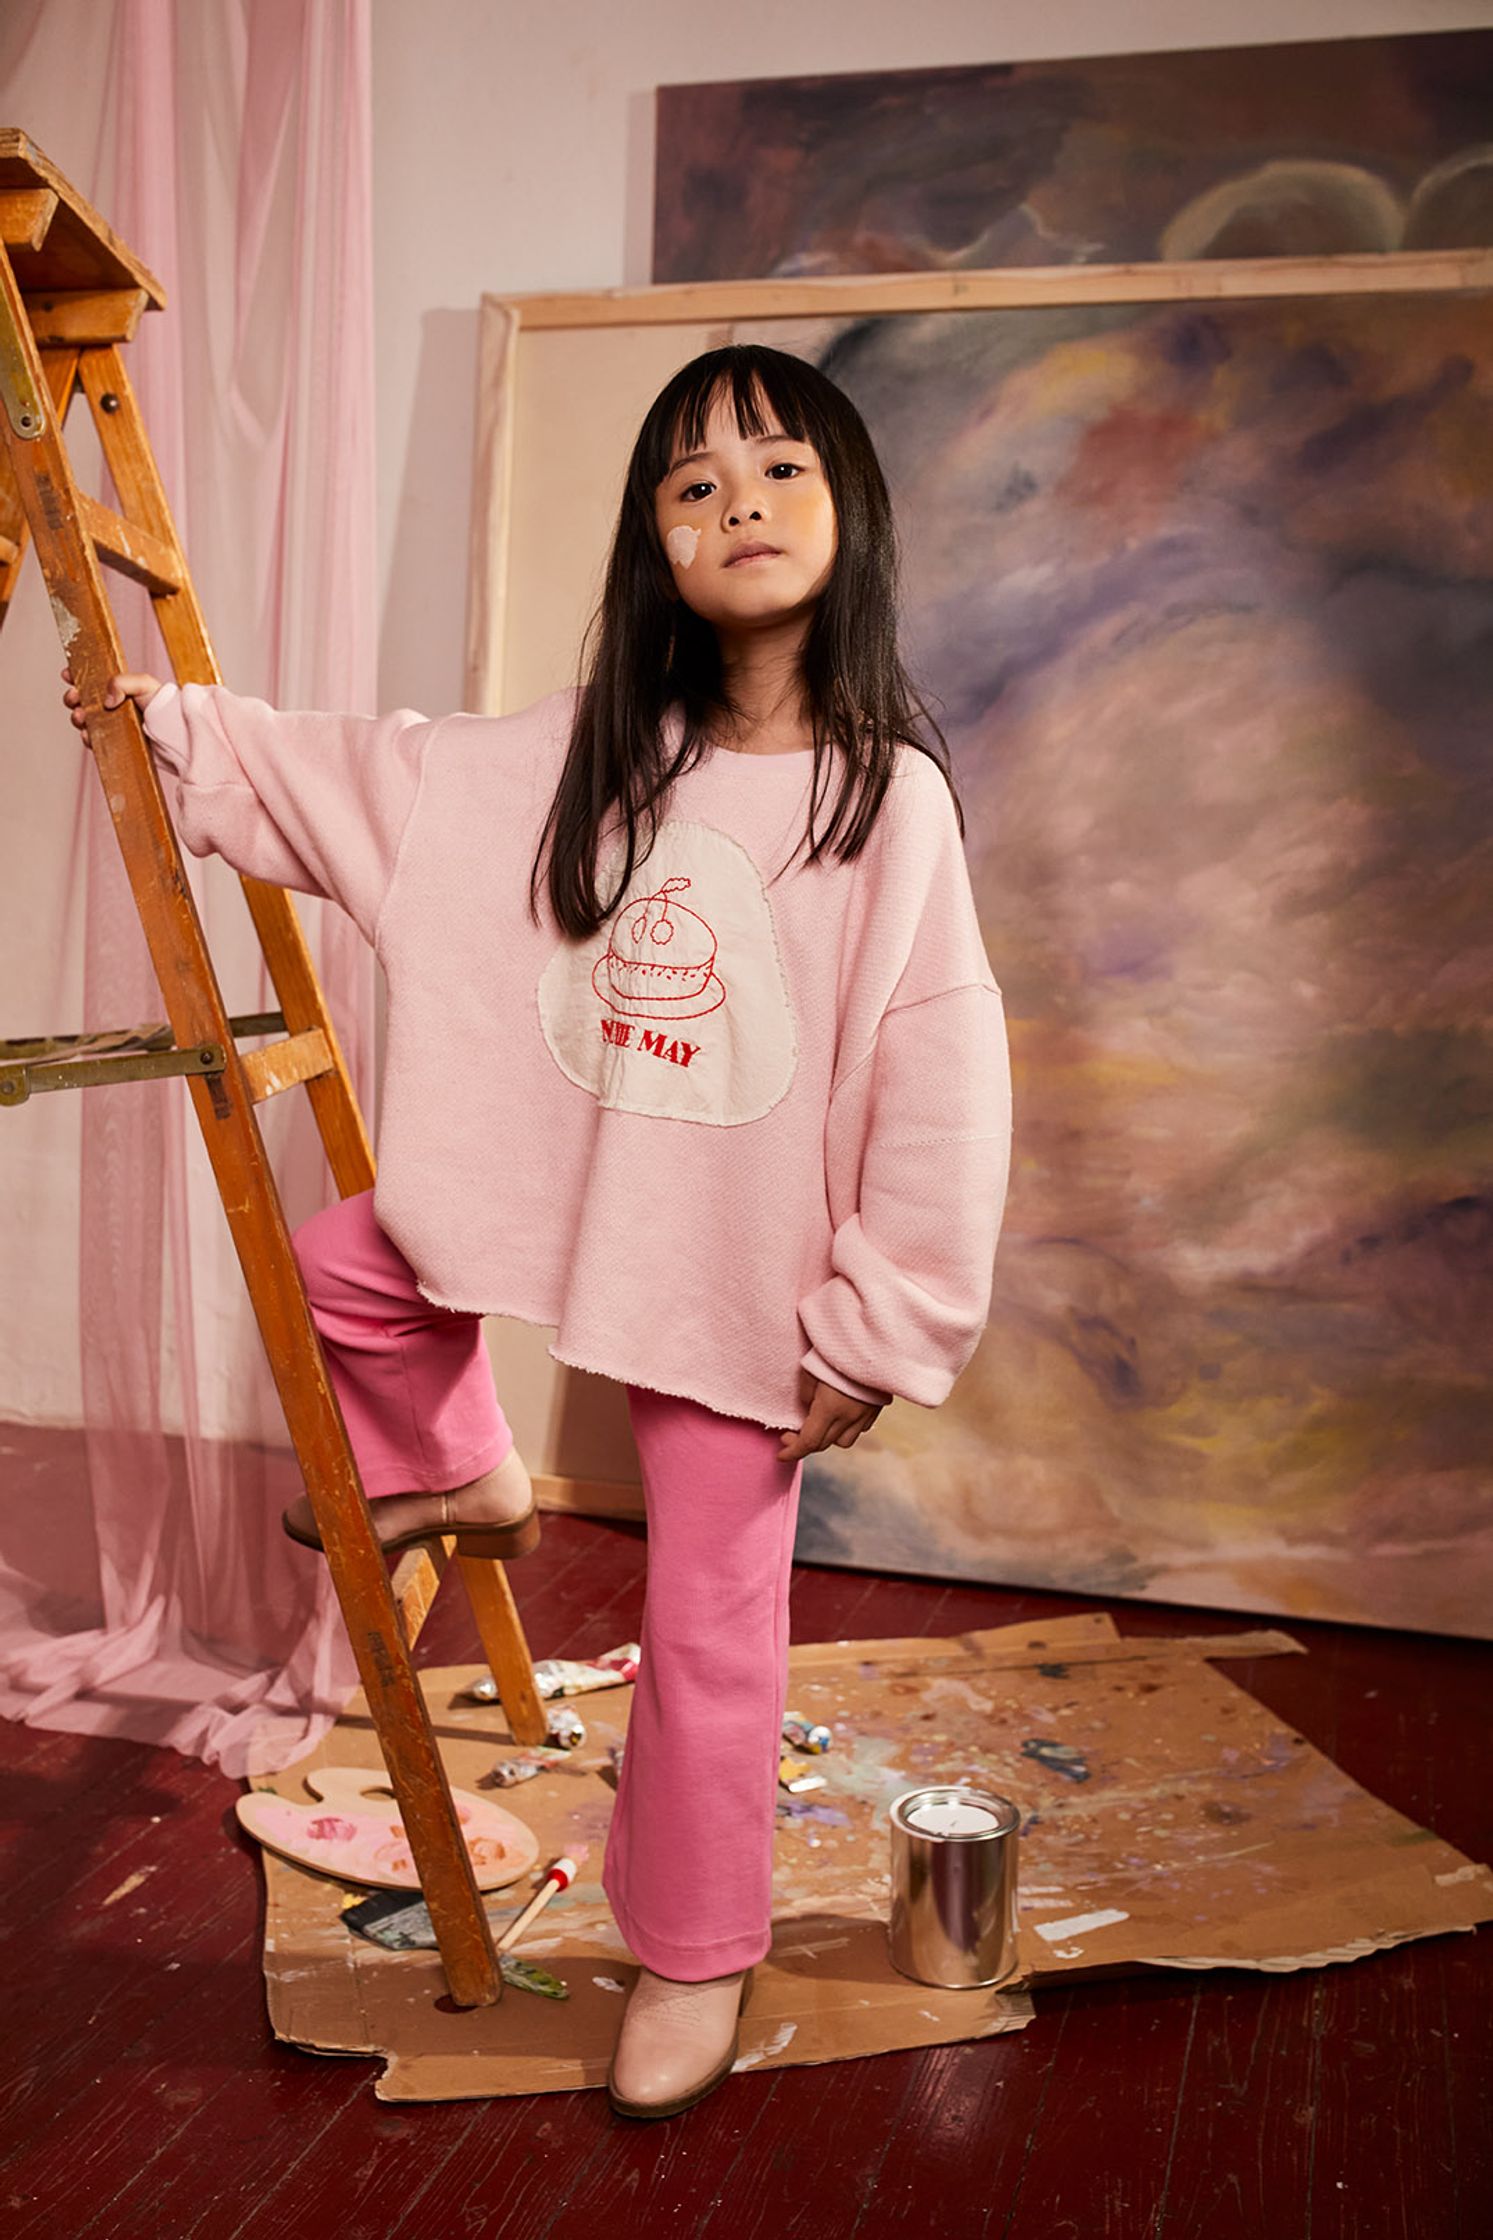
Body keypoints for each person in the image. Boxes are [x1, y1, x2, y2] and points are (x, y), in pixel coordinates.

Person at [63, 343, 1012, 2119]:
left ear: (854, 510)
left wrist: (876, 1322)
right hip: (595, 1202)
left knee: (713, 1621)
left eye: (781, 469)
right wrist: (172, 723)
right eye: (693, 482)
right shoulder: (581, 761)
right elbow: (380, 780)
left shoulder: (888, 800)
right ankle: (476, 1469)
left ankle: (696, 1952)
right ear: (653, 542)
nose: (739, 502)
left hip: (744, 1269)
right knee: (350, 1260)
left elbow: (940, 1068)